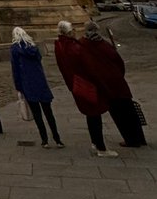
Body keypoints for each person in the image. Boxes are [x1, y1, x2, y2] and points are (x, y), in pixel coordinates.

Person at [53, 20, 117, 158]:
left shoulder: (59, 45)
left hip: (75, 85)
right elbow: (90, 69)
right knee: (95, 114)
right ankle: (101, 148)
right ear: (70, 32)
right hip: (87, 84)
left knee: (90, 114)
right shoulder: (75, 48)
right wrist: (102, 85)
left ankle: (95, 142)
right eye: (73, 30)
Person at [80, 21, 146, 148]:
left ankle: (131, 140)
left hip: (105, 85)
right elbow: (119, 62)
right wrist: (119, 75)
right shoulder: (105, 43)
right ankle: (139, 138)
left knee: (118, 113)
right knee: (130, 110)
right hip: (119, 82)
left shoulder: (84, 45)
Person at [10, 27, 64, 148]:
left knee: (37, 114)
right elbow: (39, 60)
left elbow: (15, 70)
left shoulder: (15, 49)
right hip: (40, 82)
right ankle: (57, 139)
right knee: (49, 113)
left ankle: (44, 140)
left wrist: (18, 87)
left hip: (27, 84)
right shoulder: (33, 47)